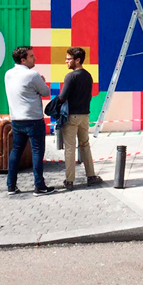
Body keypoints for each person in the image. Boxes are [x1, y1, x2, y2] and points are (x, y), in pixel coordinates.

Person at [5, 46, 54, 196]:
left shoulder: (8, 74)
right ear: (23, 59)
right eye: (32, 56)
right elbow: (45, 92)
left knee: (16, 151)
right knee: (37, 152)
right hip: (33, 119)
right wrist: (42, 82)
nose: (35, 58)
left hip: (16, 119)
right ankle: (39, 186)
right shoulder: (32, 75)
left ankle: (11, 186)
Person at [56, 47, 103, 190]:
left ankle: (69, 181)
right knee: (85, 145)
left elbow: (62, 97)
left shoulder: (70, 77)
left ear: (77, 60)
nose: (66, 61)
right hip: (85, 115)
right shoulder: (88, 75)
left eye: (68, 59)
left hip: (71, 116)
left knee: (70, 148)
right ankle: (91, 176)